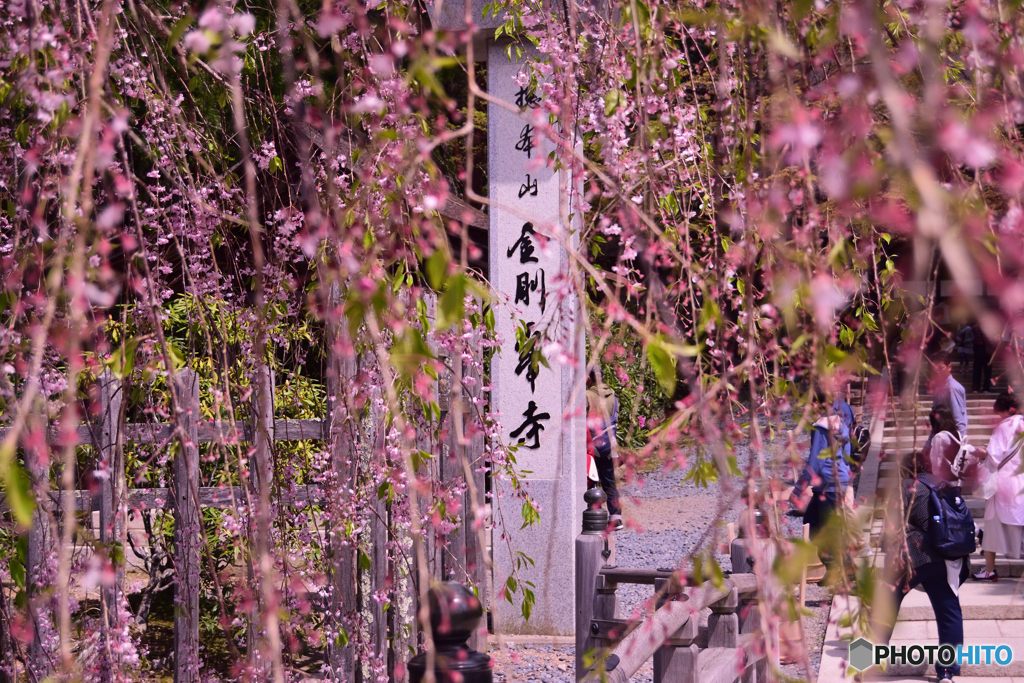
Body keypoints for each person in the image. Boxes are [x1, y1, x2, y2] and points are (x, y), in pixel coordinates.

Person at [875, 450, 969, 682]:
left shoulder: (905, 487)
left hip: (911, 557)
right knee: (949, 612)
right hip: (944, 557)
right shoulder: (944, 485)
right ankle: (947, 672)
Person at [973, 392, 1024, 581]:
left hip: (1004, 486)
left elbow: (994, 457)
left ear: (1003, 410)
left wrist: (980, 453)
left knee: (993, 527)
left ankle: (990, 570)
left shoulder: (1004, 427)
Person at [791, 414, 852, 538]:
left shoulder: (821, 427)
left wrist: (797, 490)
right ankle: (820, 555)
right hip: (837, 483)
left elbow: (815, 463)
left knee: (829, 533)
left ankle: (836, 556)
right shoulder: (840, 424)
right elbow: (847, 455)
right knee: (811, 522)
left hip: (828, 486)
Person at [586, 369, 622, 530]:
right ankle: (616, 517)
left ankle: (592, 516)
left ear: (589, 377)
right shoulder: (613, 397)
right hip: (610, 444)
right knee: (609, 481)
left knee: (591, 479)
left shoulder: (587, 396)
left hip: (592, 445)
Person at [922, 406, 980, 485]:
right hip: (956, 476)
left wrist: (934, 481)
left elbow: (936, 463)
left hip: (946, 480)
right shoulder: (956, 433)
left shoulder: (939, 437)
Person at [931, 351, 968, 439]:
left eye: (941, 368)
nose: (937, 371)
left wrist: (959, 444)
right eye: (934, 368)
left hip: (951, 439)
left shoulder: (952, 388)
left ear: (949, 367)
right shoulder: (939, 388)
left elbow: (958, 420)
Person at [972, 322, 992, 393]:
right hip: (986, 349)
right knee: (987, 370)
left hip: (977, 348)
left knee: (977, 369)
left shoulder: (974, 327)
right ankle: (986, 388)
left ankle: (975, 388)